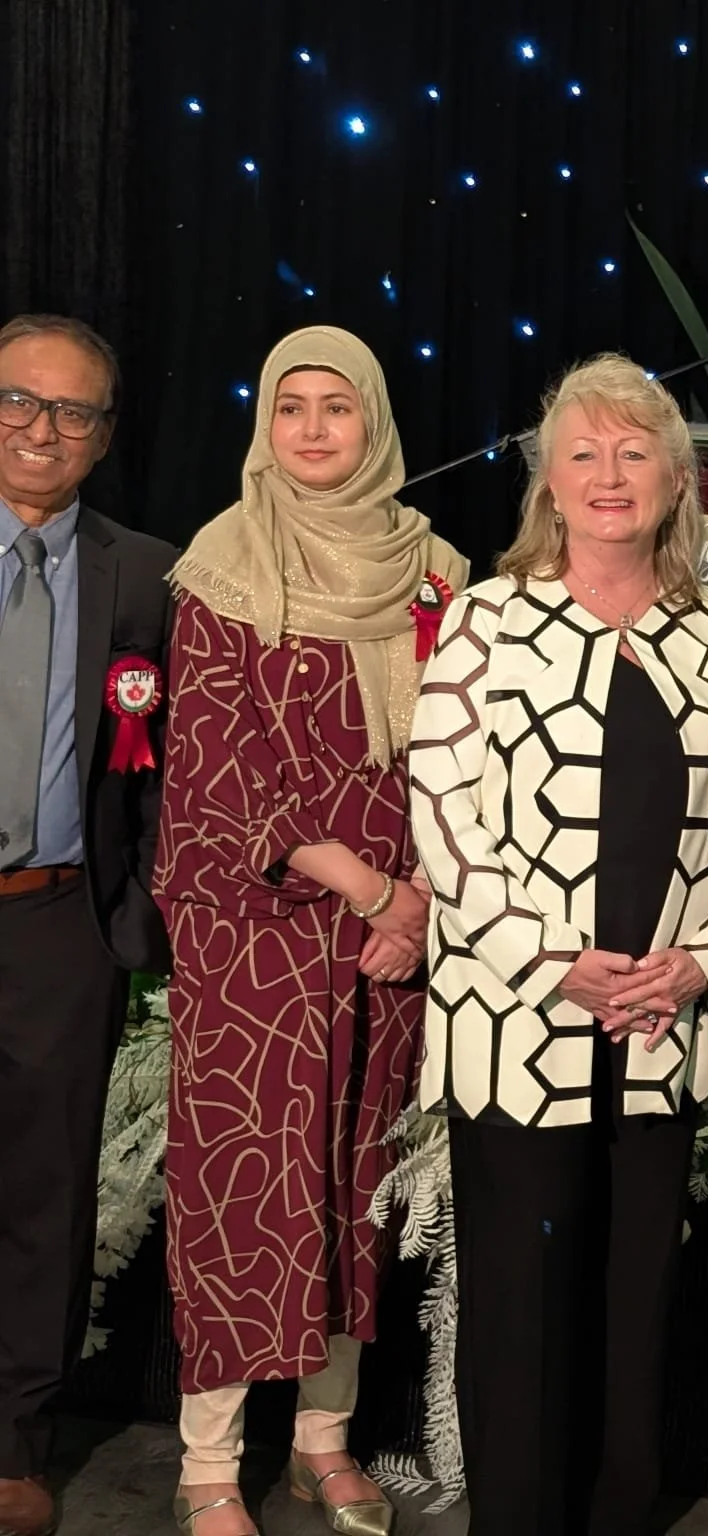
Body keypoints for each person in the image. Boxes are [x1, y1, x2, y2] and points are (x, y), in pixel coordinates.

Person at [409, 355, 708, 1536]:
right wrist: (549, 960)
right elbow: (443, 818)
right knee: (519, 1304)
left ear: (679, 481)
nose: (609, 476)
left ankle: (619, 1514)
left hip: (667, 1025)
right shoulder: (485, 618)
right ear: (548, 484)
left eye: (634, 454)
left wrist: (705, 960)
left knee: (637, 1302)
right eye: (583, 454)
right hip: (517, 1026)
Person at [153, 326, 467, 1536]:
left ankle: (323, 1446)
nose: (317, 430)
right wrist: (367, 889)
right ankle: (207, 1466)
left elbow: (464, 754)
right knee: (245, 1193)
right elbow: (217, 777)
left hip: (391, 945)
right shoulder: (225, 564)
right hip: (258, 936)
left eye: (340, 407)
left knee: (354, 1185)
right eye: (293, 407)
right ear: (264, 425)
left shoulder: (434, 570)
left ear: (375, 421)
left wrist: (422, 903)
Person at [0, 315, 174, 1536]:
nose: (40, 429)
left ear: (103, 437)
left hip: (58, 923)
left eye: (70, 412)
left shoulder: (145, 575)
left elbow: (168, 769)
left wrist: (138, 911)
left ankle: (15, 1445)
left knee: (43, 1195)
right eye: (18, 400)